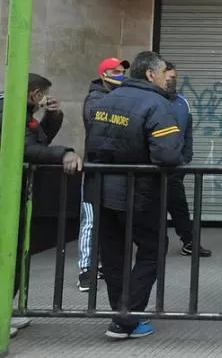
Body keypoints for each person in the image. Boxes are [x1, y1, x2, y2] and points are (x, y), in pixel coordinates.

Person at [85, 51, 185, 340]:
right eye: (165, 70)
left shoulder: (106, 99)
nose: (168, 76)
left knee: (114, 254)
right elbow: (167, 154)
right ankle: (126, 318)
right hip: (139, 192)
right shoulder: (156, 103)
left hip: (101, 190)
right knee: (153, 249)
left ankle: (120, 313)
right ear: (151, 75)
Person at [1, 73, 83, 339]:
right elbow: (27, 148)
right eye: (43, 95)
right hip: (7, 197)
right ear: (35, 94)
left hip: (15, 195)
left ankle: (5, 312)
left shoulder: (19, 111)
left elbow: (37, 140)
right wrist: (65, 152)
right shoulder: (11, 112)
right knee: (8, 257)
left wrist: (53, 118)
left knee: (15, 257)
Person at [78, 57, 129, 292]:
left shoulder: (119, 96)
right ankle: (86, 270)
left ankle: (104, 265)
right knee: (90, 221)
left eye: (122, 71)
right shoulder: (95, 99)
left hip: (114, 171)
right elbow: (104, 127)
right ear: (103, 74)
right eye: (115, 71)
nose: (120, 75)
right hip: (95, 169)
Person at [162, 62, 211, 258]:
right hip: (150, 165)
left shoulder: (182, 102)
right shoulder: (150, 100)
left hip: (176, 164)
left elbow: (187, 132)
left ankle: (189, 242)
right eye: (168, 78)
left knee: (178, 205)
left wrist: (186, 157)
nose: (172, 82)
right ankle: (156, 244)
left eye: (174, 78)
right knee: (150, 207)